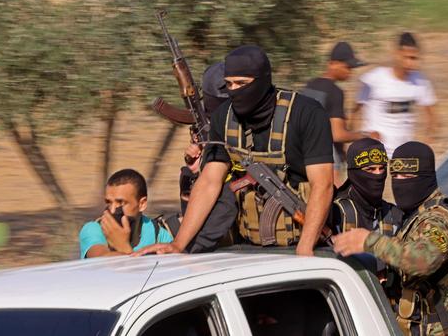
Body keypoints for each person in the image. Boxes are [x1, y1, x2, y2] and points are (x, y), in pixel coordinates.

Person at [136, 45, 334, 257]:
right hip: (249, 246)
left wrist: (305, 249)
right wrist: (178, 245)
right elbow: (209, 182)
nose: (235, 90)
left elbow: (323, 185)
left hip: (308, 243)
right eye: (229, 84)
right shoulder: (224, 117)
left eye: (242, 83)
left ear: (263, 80)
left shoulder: (306, 113)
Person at [332, 142, 448, 335]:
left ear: (426, 178)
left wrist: (369, 241)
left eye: (407, 176)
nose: (400, 182)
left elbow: (423, 260)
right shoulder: (417, 215)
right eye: (395, 176)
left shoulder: (439, 218)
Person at [355, 32, 437, 155]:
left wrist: (427, 140)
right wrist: (358, 140)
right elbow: (355, 111)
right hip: (374, 152)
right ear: (396, 54)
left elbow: (432, 115)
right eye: (407, 57)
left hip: (403, 154)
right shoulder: (375, 78)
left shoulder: (421, 81)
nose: (411, 63)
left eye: (414, 58)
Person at [302, 42, 367, 186]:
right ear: (333, 63)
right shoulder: (335, 91)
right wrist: (364, 136)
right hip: (328, 160)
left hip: (305, 156)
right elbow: (337, 134)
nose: (350, 72)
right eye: (347, 67)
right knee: (334, 202)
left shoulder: (309, 86)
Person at [79, 169, 172, 258]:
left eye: (120, 202)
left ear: (142, 204)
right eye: (108, 202)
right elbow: (101, 259)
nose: (112, 210)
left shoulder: (158, 233)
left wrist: (123, 247)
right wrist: (122, 246)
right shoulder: (93, 229)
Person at [327, 138, 402, 235]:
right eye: (370, 169)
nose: (378, 174)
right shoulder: (335, 212)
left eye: (382, 168)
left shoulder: (394, 215)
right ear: (354, 173)